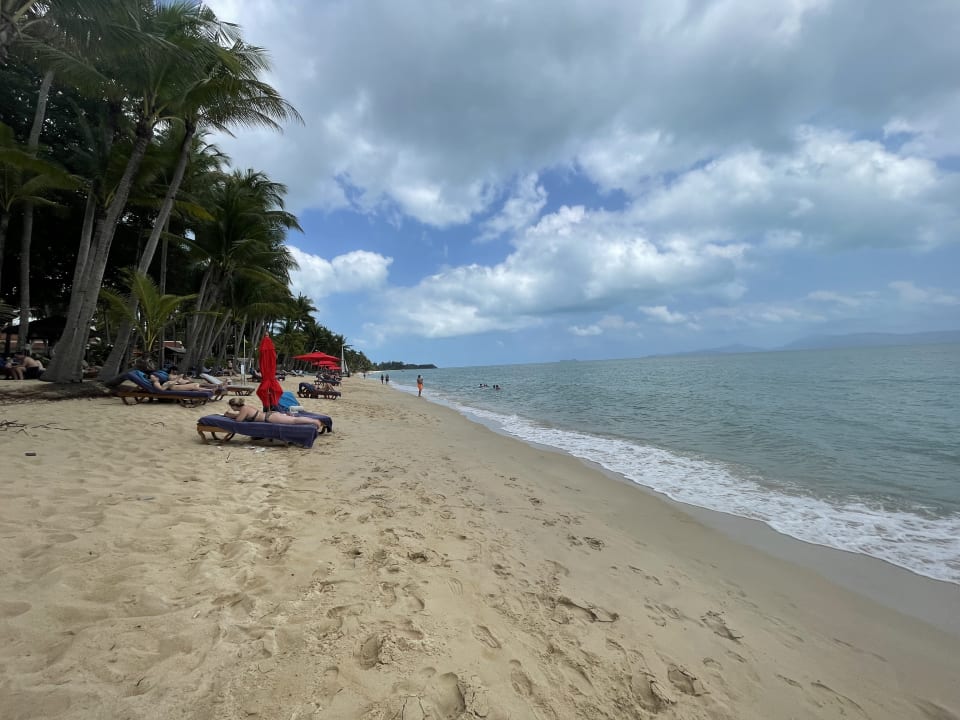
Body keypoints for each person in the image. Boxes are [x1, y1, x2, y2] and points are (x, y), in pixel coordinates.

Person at [224, 397, 327, 431]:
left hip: (270, 417)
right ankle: (311, 420)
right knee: (293, 420)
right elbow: (241, 417)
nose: (231, 408)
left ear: (234, 406)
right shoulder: (246, 407)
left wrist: (229, 415)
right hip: (271, 415)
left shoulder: (243, 409)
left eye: (231, 407)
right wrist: (232, 415)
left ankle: (314, 421)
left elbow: (238, 421)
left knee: (294, 421)